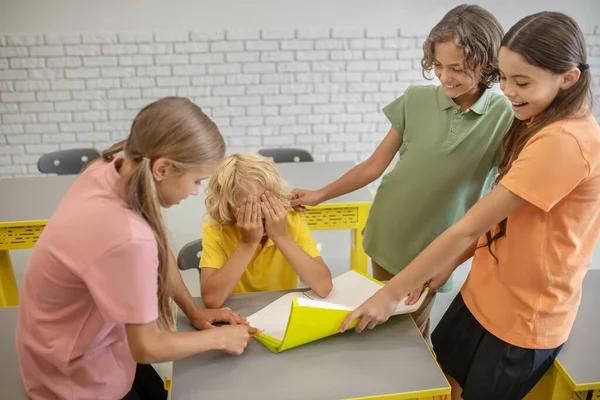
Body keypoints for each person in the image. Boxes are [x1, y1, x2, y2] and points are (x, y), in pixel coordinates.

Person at [340, 12, 599, 400]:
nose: (509, 92)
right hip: (483, 291)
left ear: (568, 77)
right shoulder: (535, 121)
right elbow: (493, 224)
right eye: (507, 78)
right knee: (444, 382)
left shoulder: (565, 141)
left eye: (522, 82)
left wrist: (390, 293)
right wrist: (452, 261)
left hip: (522, 315)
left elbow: (468, 223)